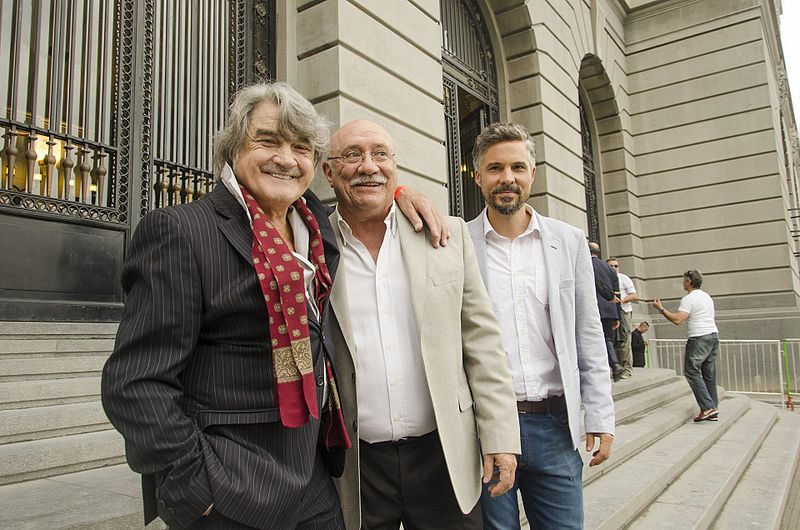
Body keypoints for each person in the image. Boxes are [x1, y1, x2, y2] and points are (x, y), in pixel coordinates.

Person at [101, 82, 447, 529]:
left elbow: (366, 196)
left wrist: (404, 195)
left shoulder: (315, 225)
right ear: (232, 148)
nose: (286, 158)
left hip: (315, 481)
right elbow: (134, 383)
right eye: (267, 141)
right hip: (229, 488)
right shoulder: (181, 231)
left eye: (300, 147)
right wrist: (194, 489)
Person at [322, 119, 521, 530]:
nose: (368, 166)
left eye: (380, 154)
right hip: (354, 464)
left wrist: (500, 435)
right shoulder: (311, 239)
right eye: (352, 155)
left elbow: (482, 341)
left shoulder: (445, 235)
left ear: (395, 165)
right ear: (328, 171)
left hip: (444, 455)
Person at [465, 122, 615, 530]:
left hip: (555, 425)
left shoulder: (568, 241)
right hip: (486, 428)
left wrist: (600, 414)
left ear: (532, 173)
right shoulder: (458, 243)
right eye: (495, 168)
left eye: (517, 167)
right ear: (478, 176)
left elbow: (588, 331)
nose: (507, 178)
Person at [653, 270, 720, 422]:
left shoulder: (689, 299)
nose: (682, 282)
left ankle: (708, 406)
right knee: (709, 375)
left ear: (689, 281)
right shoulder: (706, 296)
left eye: (684, 280)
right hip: (713, 336)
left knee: (691, 372)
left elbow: (678, 320)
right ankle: (712, 408)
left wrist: (661, 309)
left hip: (699, 337)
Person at [590, 242, 623, 381]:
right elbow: (617, 293)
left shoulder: (586, 264)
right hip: (610, 309)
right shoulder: (609, 268)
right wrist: (618, 315)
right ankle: (614, 364)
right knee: (607, 338)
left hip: (595, 306)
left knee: (597, 340)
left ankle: (612, 365)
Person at [607, 257, 638, 378]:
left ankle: (627, 370)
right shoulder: (605, 278)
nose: (614, 268)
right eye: (611, 266)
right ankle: (617, 368)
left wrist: (622, 301)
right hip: (611, 312)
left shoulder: (623, 278)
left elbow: (634, 295)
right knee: (613, 341)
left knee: (625, 341)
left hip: (624, 311)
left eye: (616, 266)